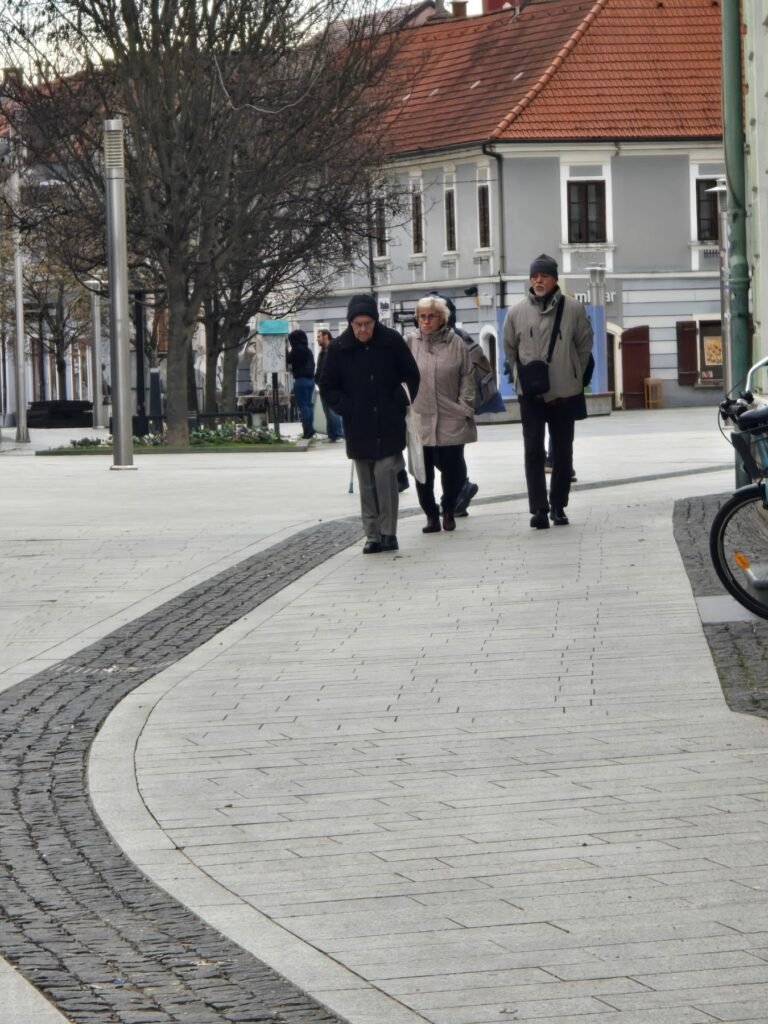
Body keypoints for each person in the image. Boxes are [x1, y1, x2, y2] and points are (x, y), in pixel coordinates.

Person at [320, 294, 420, 554]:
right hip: (359, 424)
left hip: (388, 421)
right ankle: (372, 535)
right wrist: (347, 408)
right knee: (366, 483)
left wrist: (398, 400)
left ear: (375, 321)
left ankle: (389, 532)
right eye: (358, 324)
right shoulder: (339, 348)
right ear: (350, 323)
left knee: (385, 476)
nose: (363, 329)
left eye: (367, 323)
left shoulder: (392, 341)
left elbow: (411, 375)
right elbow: (328, 386)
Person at [503, 253, 593, 529]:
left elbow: (584, 346)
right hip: (530, 394)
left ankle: (558, 505)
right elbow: (509, 350)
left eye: (544, 276)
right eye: (534, 276)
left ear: (555, 279)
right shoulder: (516, 312)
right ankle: (539, 509)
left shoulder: (574, 309)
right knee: (533, 451)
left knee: (563, 452)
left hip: (564, 393)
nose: (538, 280)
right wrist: (520, 379)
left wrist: (573, 376)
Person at [405, 295, 476, 533]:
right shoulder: (410, 342)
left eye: (431, 316)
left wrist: (464, 406)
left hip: (450, 415)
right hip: (420, 416)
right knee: (422, 472)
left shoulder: (456, 343)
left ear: (442, 319)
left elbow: (467, 376)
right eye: (422, 316)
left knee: (453, 470)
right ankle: (430, 514)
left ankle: (448, 509)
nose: (426, 321)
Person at [315, 329, 344, 442]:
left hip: (331, 385)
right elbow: (320, 368)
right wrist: (317, 379)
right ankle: (332, 435)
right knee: (327, 412)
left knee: (332, 411)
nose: (317, 339)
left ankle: (338, 434)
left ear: (326, 336)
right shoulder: (322, 352)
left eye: (319, 336)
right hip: (323, 385)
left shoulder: (333, 349)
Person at [286, 329, 316, 439]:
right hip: (311, 380)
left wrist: (285, 349)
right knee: (309, 405)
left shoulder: (296, 350)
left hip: (300, 380)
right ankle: (311, 428)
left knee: (303, 406)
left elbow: (288, 359)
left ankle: (307, 430)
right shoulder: (308, 350)